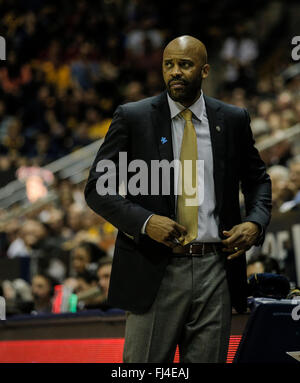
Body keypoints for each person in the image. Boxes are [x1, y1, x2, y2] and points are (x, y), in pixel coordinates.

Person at [85, 35, 272, 363]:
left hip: (216, 267)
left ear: (204, 70)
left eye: (185, 65)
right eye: (168, 65)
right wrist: (145, 222)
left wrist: (255, 223)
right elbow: (98, 188)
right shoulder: (134, 117)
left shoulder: (232, 119)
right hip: (156, 266)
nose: (175, 72)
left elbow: (258, 180)